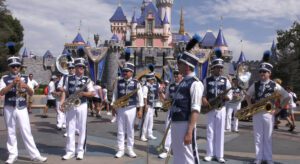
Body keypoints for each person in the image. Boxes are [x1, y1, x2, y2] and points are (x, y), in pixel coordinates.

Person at [0, 56, 47, 164]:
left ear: (20, 67)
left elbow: (31, 93)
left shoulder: (25, 78)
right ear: (9, 67)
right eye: (13, 66)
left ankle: (35, 155)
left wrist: (25, 86)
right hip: (9, 107)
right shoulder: (4, 78)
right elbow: (1, 92)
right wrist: (12, 83)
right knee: (11, 131)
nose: (15, 68)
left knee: (26, 131)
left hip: (21, 107)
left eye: (17, 66)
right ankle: (13, 155)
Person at [245, 51, 290, 164]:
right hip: (256, 113)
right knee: (258, 136)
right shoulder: (255, 84)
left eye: (265, 72)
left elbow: (287, 96)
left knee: (268, 137)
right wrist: (250, 106)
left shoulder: (275, 85)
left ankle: (268, 158)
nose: (262, 73)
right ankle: (258, 158)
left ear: (269, 73)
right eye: (261, 71)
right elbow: (247, 95)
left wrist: (279, 109)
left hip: (269, 113)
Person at [169, 51, 203, 164]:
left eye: (180, 64)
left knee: (189, 156)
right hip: (176, 123)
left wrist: (189, 131)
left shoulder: (195, 84)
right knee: (178, 155)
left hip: (185, 124)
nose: (178, 66)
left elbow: (195, 109)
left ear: (187, 66)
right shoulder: (183, 82)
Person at [60, 58, 95, 160]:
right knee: (70, 128)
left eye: (83, 67)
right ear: (75, 68)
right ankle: (70, 151)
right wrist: (62, 102)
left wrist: (83, 93)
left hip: (82, 105)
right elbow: (65, 92)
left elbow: (92, 93)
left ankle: (80, 151)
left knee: (81, 129)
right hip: (71, 104)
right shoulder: (68, 78)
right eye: (79, 67)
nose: (81, 69)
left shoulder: (87, 80)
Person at [202, 49, 232, 163]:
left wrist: (226, 97)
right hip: (210, 108)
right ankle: (209, 153)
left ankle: (219, 155)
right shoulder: (206, 80)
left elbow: (230, 94)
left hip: (221, 108)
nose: (219, 69)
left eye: (221, 68)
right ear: (213, 68)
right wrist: (203, 99)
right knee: (210, 131)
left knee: (220, 132)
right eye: (217, 67)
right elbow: (203, 93)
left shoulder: (225, 80)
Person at [111, 59, 144, 158]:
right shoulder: (118, 81)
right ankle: (121, 149)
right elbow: (115, 94)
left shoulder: (136, 83)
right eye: (124, 71)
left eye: (127, 71)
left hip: (131, 108)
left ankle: (130, 149)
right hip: (120, 108)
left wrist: (140, 110)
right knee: (120, 130)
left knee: (130, 130)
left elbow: (140, 97)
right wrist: (113, 106)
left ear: (131, 72)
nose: (124, 73)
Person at [158, 69, 183, 159]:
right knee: (167, 130)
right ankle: (166, 150)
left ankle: (177, 150)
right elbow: (166, 99)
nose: (176, 75)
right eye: (175, 74)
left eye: (178, 74)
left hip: (181, 111)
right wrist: (161, 94)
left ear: (182, 75)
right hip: (171, 111)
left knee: (180, 131)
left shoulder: (185, 85)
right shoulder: (170, 86)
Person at [140, 72, 160, 141]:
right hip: (147, 106)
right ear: (149, 79)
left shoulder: (151, 86)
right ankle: (143, 135)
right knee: (145, 121)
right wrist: (145, 106)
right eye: (152, 79)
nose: (153, 81)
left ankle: (149, 134)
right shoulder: (145, 87)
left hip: (152, 106)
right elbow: (144, 97)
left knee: (151, 121)